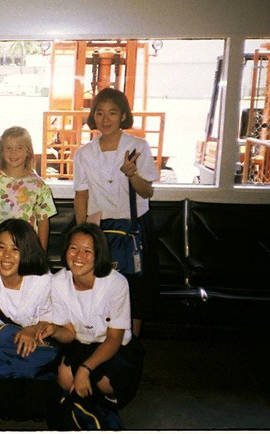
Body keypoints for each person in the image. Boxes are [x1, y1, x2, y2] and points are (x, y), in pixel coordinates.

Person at [73, 87, 160, 336]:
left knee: (135, 289)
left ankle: (130, 344)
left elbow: (147, 192)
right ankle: (101, 337)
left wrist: (131, 174)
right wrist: (82, 231)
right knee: (101, 287)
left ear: (123, 116)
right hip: (99, 228)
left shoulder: (137, 146)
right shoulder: (84, 153)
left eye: (113, 112)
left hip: (134, 227)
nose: (105, 119)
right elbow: (81, 194)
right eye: (99, 113)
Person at [36, 223, 144, 410]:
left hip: (112, 345)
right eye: (73, 248)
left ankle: (104, 402)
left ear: (99, 255)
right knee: (64, 379)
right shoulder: (58, 282)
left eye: (87, 251)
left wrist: (85, 370)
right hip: (80, 342)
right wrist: (54, 330)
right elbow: (69, 333)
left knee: (104, 382)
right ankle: (81, 404)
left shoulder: (116, 283)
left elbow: (114, 338)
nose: (78, 257)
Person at [0, 218, 57, 423]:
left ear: (27, 251)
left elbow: (51, 318)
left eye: (15, 249)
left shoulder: (43, 279)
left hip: (32, 345)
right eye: (1, 247)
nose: (6, 256)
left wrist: (31, 330)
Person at [0, 126, 57, 265]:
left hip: (27, 251)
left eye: (19, 148)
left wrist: (41, 252)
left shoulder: (39, 185)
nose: (13, 153)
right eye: (8, 148)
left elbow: (43, 221)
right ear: (1, 151)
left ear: (28, 151)